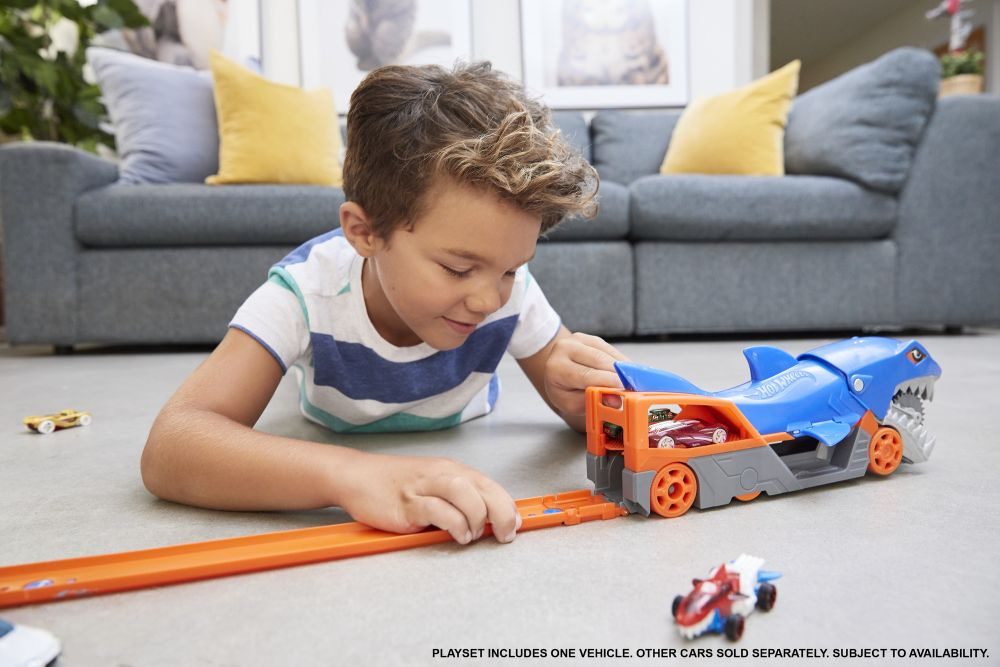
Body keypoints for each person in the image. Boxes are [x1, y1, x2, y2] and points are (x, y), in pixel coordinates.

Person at [140, 61, 629, 547]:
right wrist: (354, 476)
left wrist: (581, 398)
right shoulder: (304, 293)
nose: (488, 299)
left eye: (510, 269)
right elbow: (171, 446)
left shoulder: (509, 287)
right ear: (365, 232)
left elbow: (585, 417)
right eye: (457, 269)